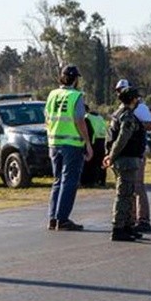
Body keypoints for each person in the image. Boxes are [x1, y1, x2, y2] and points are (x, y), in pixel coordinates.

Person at [45, 65, 93, 232]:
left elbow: (47, 117)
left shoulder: (52, 94)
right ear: (75, 79)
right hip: (72, 144)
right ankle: (63, 219)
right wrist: (87, 142)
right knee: (69, 182)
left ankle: (53, 218)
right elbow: (79, 119)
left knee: (57, 181)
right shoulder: (75, 96)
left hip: (54, 143)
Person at [103, 87, 147, 242]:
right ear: (133, 99)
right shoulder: (126, 116)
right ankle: (119, 228)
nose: (138, 101)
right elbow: (122, 138)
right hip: (126, 160)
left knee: (129, 194)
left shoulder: (118, 114)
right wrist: (111, 156)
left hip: (126, 159)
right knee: (123, 195)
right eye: (137, 99)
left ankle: (127, 226)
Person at [114, 79, 151, 233]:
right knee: (126, 188)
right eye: (119, 90)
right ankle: (128, 220)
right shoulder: (120, 110)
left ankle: (143, 219)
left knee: (137, 186)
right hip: (124, 154)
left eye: (123, 89)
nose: (121, 93)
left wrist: (136, 125)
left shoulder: (141, 108)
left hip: (136, 153)